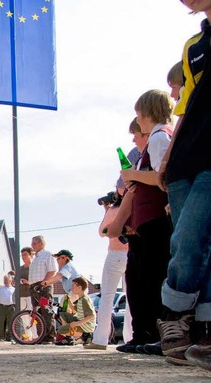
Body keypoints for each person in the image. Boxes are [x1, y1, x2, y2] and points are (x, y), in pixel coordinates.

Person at [155, 0, 211, 370]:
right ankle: (193, 329)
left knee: (192, 234)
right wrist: (167, 156)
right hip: (185, 155)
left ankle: (174, 313)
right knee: (187, 241)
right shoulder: (194, 47)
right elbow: (187, 106)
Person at [109, 90, 174, 355]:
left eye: (139, 116)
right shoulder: (161, 137)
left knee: (152, 276)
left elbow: (161, 177)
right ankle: (144, 333)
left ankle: (155, 333)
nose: (138, 122)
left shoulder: (159, 137)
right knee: (144, 277)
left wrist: (132, 174)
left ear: (147, 114)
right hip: (149, 218)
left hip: (154, 218)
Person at [86, 186, 135, 351]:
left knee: (107, 297)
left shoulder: (113, 210)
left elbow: (102, 231)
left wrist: (106, 211)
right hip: (131, 254)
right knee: (131, 298)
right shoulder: (133, 206)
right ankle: (130, 337)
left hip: (114, 254)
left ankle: (100, 339)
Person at [26, 235, 58, 343]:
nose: (32, 246)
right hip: (34, 287)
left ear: (41, 244)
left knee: (47, 311)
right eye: (32, 244)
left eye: (34, 243)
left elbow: (52, 271)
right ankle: (41, 335)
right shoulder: (35, 258)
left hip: (44, 287)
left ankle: (49, 336)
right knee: (37, 312)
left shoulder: (47, 255)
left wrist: (44, 283)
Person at [55, 277, 96, 346]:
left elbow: (92, 315)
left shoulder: (84, 300)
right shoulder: (80, 299)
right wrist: (68, 301)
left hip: (85, 325)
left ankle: (86, 335)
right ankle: (70, 337)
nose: (72, 288)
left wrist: (78, 323)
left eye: (73, 286)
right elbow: (75, 310)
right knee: (63, 314)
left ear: (79, 287)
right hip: (80, 321)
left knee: (62, 330)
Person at [0, 273, 16, 342]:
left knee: (11, 322)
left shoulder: (14, 289)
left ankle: (10, 337)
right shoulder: (0, 289)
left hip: (11, 307)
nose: (5, 281)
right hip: (2, 307)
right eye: (4, 280)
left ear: (10, 281)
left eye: (6, 280)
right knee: (0, 322)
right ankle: (1, 337)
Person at [18, 247, 34, 311]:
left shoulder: (34, 267)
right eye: (21, 255)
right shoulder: (19, 268)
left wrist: (28, 282)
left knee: (31, 313)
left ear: (31, 255)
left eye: (25, 254)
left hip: (31, 294)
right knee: (22, 314)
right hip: (21, 294)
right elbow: (15, 280)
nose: (23, 257)